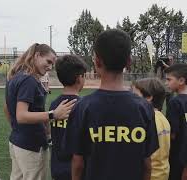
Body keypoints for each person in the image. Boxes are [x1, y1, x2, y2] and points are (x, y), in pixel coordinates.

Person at [63, 29, 159, 180]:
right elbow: (147, 163)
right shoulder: (144, 107)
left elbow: (78, 163)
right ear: (129, 62)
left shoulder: (83, 107)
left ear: (97, 62)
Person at [5, 43, 77, 180]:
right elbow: (21, 115)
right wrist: (53, 114)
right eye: (48, 61)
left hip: (17, 141)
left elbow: (7, 108)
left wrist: (18, 129)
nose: (50, 67)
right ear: (37, 55)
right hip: (31, 144)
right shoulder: (28, 80)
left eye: (52, 64)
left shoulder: (15, 76)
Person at [49, 55, 87, 180]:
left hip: (57, 168)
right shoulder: (84, 106)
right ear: (79, 78)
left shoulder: (54, 104)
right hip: (77, 170)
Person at [131, 78, 171, 180]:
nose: (131, 98)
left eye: (135, 95)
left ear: (148, 97)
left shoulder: (146, 120)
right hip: (162, 174)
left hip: (149, 175)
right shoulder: (163, 118)